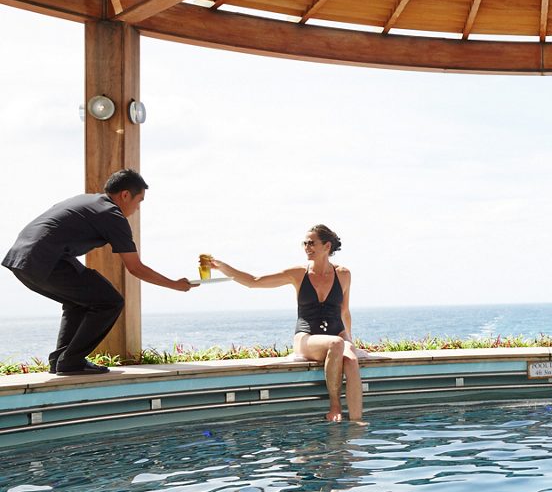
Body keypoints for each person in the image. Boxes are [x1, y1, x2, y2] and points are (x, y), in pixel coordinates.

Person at [3, 169, 193, 375]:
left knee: (79, 302)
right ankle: (71, 361)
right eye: (139, 201)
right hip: (46, 260)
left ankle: (61, 360)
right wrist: (175, 284)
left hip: (21, 261)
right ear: (125, 195)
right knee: (110, 301)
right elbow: (135, 267)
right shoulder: (112, 215)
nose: (137, 208)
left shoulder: (88, 201)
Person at [208, 225, 363, 423]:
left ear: (326, 246)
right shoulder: (298, 274)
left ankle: (357, 423)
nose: (307, 247)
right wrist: (222, 266)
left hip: (337, 334)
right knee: (335, 344)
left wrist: (350, 340)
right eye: (304, 243)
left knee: (350, 359)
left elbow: (344, 311)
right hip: (307, 338)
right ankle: (334, 407)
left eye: (311, 243)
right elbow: (254, 281)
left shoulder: (343, 274)